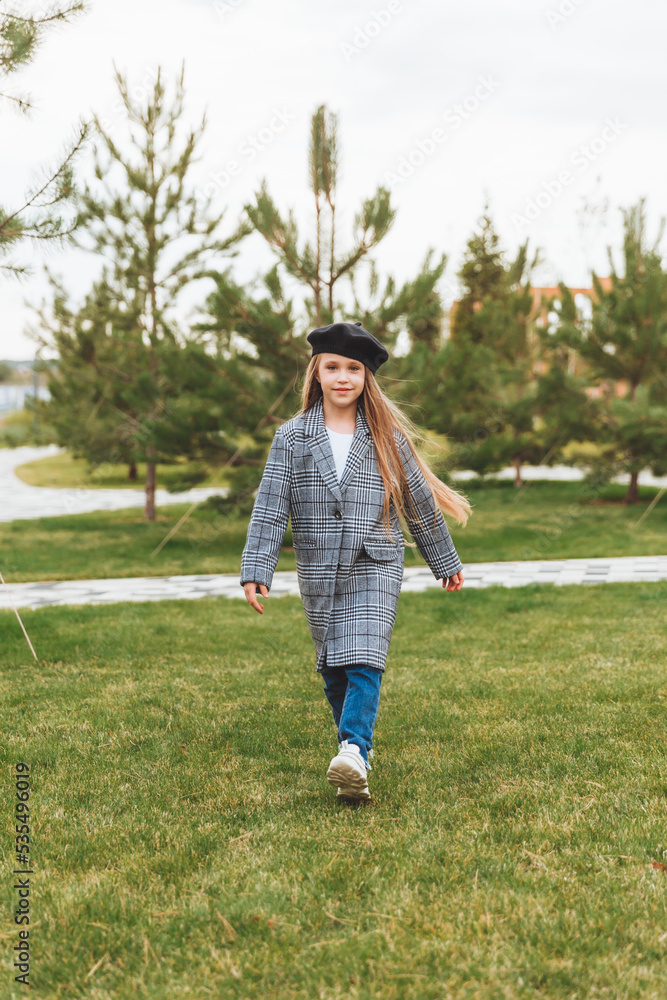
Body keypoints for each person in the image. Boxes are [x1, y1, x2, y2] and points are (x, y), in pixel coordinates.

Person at [240, 320, 471, 802]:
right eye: (333, 367)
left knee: (365, 657)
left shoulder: (386, 436)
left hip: (375, 560)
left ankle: (353, 747)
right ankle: (355, 761)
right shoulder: (292, 438)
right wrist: (257, 569)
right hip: (320, 567)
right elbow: (270, 504)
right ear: (316, 373)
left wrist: (443, 559)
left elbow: (418, 503)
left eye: (354, 368)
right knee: (334, 669)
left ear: (367, 377)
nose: (343, 376)